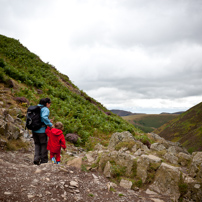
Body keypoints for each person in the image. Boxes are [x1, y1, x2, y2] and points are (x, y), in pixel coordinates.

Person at [32, 98, 53, 165]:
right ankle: (44, 161)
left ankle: (36, 158)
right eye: (49, 104)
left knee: (37, 144)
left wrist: (48, 121)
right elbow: (44, 117)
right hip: (41, 130)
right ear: (47, 103)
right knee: (43, 145)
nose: (50, 105)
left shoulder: (35, 107)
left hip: (34, 129)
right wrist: (50, 124)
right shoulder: (45, 109)